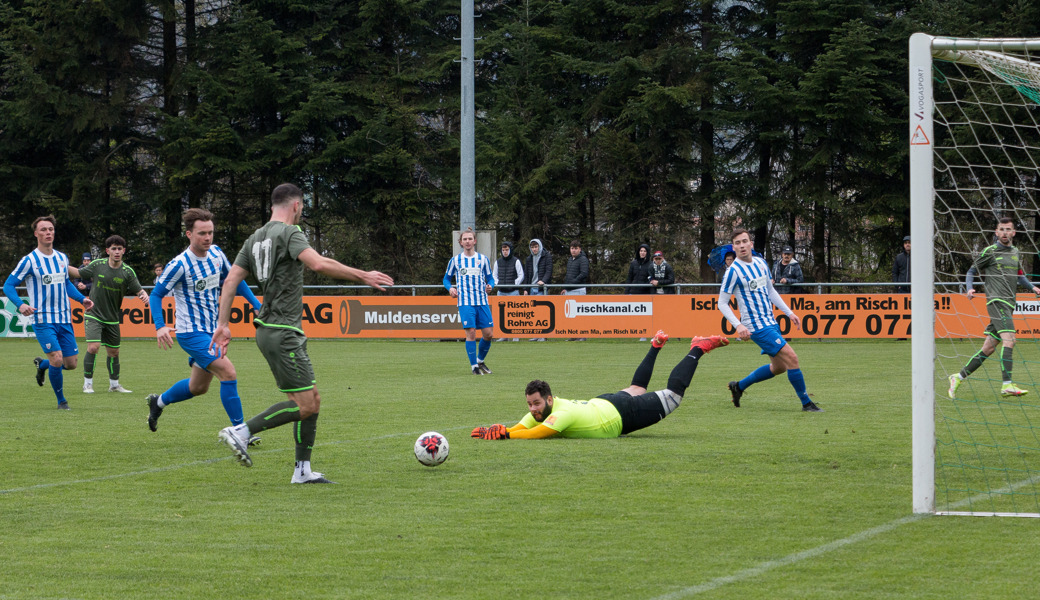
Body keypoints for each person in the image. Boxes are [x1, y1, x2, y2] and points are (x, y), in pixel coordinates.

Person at [211, 183, 394, 484]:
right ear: (296, 205)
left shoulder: (254, 238)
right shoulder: (290, 233)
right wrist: (364, 275)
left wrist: (223, 324)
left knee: (312, 400)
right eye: (302, 208)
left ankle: (303, 471)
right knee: (305, 404)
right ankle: (241, 431)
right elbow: (319, 264)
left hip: (269, 330)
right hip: (283, 331)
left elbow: (230, 280)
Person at [470, 331, 729, 440]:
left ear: (550, 399)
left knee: (673, 396)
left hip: (620, 414)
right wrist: (501, 429)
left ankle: (697, 347)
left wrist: (506, 436)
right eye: (530, 405)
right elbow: (520, 427)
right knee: (637, 387)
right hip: (604, 403)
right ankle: (655, 346)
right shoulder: (540, 410)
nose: (533, 409)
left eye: (537, 403)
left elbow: (535, 434)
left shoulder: (561, 414)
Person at [145, 208, 262, 441]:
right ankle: (241, 432)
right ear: (189, 234)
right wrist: (160, 326)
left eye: (210, 233)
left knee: (198, 387)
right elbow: (157, 295)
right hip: (191, 333)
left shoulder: (217, 254)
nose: (207, 238)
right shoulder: (180, 264)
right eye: (202, 233)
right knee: (228, 372)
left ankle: (157, 402)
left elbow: (233, 281)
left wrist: (256, 305)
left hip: (213, 330)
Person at [720, 228, 822, 412]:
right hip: (756, 326)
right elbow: (722, 303)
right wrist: (739, 325)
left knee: (780, 367)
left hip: (770, 321)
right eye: (737, 243)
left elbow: (771, 291)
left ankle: (739, 386)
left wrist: (788, 313)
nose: (742, 245)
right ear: (733, 247)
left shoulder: (760, 263)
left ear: (751, 243)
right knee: (792, 358)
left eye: (745, 241)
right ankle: (807, 403)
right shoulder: (733, 271)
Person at [3, 215, 94, 410]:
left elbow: (67, 283)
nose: (48, 233)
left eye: (51, 229)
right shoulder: (29, 260)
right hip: (42, 318)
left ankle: (42, 365)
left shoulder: (62, 258)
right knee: (57, 358)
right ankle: (62, 402)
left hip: (63, 317)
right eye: (43, 230)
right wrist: (20, 304)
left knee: (71, 364)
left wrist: (82, 299)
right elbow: (9, 285)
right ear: (36, 233)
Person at [948, 218, 1040, 398]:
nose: (1005, 232)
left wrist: (1033, 288)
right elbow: (971, 271)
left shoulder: (1015, 252)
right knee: (1010, 340)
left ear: (1013, 233)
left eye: (1008, 229)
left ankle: (957, 377)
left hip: (1009, 303)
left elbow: (1020, 276)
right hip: (997, 302)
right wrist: (969, 288)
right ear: (996, 233)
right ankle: (1007, 384)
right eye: (1001, 229)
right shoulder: (989, 252)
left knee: (988, 348)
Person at [77, 235, 149, 394]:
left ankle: (114, 385)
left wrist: (144, 295)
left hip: (112, 318)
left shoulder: (127, 272)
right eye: (113, 249)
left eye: (119, 249)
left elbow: (139, 290)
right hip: (93, 313)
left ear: (124, 251)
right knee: (94, 347)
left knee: (114, 352)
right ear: (107, 250)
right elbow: (77, 272)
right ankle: (87, 384)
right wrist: (59, 264)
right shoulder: (97, 265)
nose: (116, 252)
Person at [443, 228, 496, 375]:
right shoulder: (455, 261)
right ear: (460, 242)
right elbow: (446, 279)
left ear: (475, 241)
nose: (467, 241)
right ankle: (474, 366)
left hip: (482, 301)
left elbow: (490, 278)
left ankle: (480, 360)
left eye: (469, 239)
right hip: (465, 302)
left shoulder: (483, 259)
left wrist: (490, 285)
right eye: (464, 239)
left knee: (488, 334)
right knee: (471, 332)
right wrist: (450, 289)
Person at [493, 241, 524, 341]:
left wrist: (514, 284)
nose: (505, 252)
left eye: (506, 250)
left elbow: (521, 275)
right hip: (501, 292)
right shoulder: (498, 262)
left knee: (515, 314)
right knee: (501, 315)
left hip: (513, 292)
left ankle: (516, 336)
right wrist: (498, 283)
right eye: (503, 250)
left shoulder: (516, 261)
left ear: (510, 250)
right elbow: (494, 275)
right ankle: (503, 335)